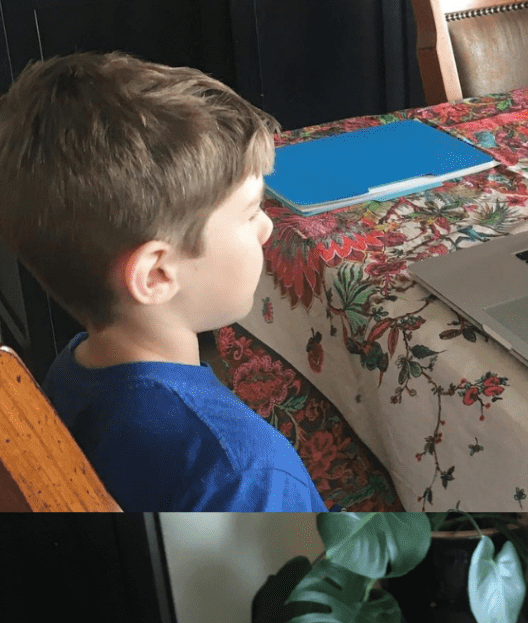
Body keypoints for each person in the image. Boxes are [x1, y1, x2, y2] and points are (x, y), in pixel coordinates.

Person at [0, 52, 328, 511]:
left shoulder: (72, 369)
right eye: (251, 212)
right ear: (156, 275)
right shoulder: (245, 472)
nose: (267, 228)